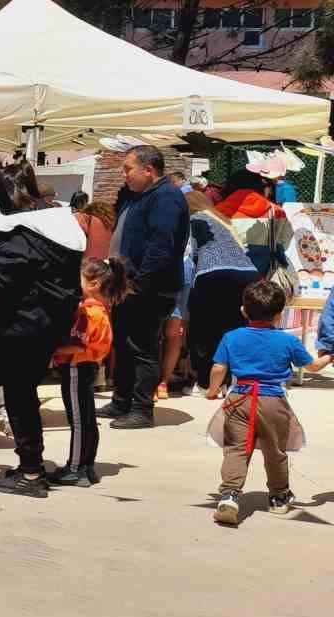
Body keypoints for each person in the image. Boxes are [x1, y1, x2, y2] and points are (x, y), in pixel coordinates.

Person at [0, 162, 86, 499]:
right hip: (55, 320)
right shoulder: (60, 223)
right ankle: (31, 464)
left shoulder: (16, 231)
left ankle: (30, 470)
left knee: (20, 396)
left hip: (23, 323)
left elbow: (6, 281)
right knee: (27, 393)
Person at [207, 281, 331, 525]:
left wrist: (212, 391)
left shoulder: (231, 337)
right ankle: (278, 497)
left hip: (238, 399)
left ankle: (230, 496)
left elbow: (219, 368)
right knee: (275, 451)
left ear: (244, 310)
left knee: (236, 449)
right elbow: (313, 366)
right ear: (279, 314)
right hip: (273, 401)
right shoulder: (288, 342)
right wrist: (330, 355)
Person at [99, 146, 189, 430]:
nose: (123, 174)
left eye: (128, 169)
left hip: (148, 288)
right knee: (124, 345)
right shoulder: (138, 196)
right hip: (126, 286)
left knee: (142, 348)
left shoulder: (166, 198)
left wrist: (139, 283)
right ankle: (122, 400)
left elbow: (161, 247)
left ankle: (141, 408)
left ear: (148, 170)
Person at [48, 257, 132, 487]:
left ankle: (74, 468)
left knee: (77, 420)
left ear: (93, 284)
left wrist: (51, 350)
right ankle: (87, 466)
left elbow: (79, 344)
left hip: (76, 366)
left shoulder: (89, 312)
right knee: (87, 419)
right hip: (88, 367)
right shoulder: (102, 311)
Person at [186, 190, 258, 389]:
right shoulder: (224, 221)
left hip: (213, 273)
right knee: (234, 327)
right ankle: (232, 380)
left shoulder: (194, 220)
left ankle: (206, 384)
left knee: (206, 329)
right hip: (247, 273)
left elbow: (189, 253)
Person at [156, 246, 196, 399]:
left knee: (154, 328)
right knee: (174, 330)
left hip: (161, 263)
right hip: (185, 264)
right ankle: (163, 383)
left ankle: (154, 382)